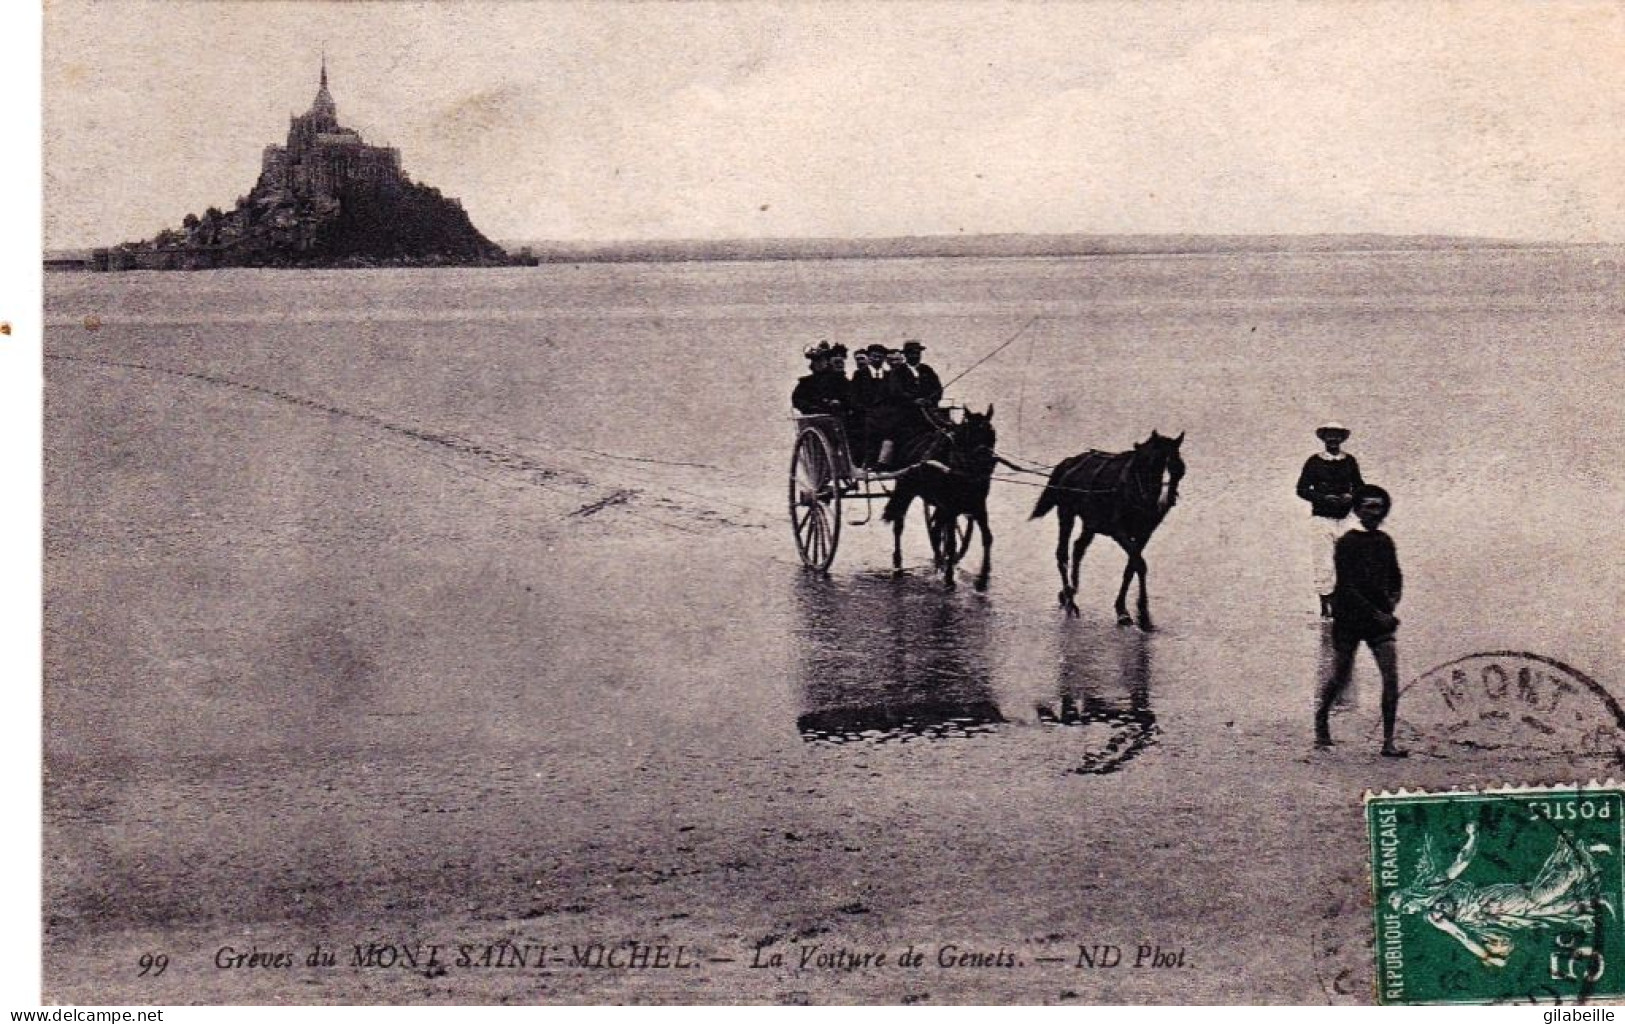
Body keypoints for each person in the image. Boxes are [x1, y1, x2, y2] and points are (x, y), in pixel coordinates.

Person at [1315, 485, 1406, 757]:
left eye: (1378, 507)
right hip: (1350, 619)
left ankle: (1388, 741)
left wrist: (1391, 603)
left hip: (1379, 622)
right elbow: (1348, 587)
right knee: (1340, 676)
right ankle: (1321, 720)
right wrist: (1378, 613)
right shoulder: (1347, 542)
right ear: (1357, 510)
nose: (1373, 512)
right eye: (1368, 507)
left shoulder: (1385, 542)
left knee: (1391, 678)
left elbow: (1396, 577)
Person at [1296, 422, 1364, 617]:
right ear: (1324, 439)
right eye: (1329, 436)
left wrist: (1352, 497)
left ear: (1342, 439)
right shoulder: (1314, 462)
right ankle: (1326, 608)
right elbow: (1301, 489)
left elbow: (1359, 486)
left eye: (1337, 436)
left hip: (1345, 518)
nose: (1333, 440)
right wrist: (1322, 498)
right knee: (1324, 563)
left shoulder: (1349, 461)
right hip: (1321, 519)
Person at [791, 342, 847, 416]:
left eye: (822, 360)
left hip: (836, 420)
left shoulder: (839, 380)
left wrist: (838, 403)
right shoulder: (806, 383)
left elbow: (849, 398)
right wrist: (810, 407)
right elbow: (797, 399)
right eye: (816, 361)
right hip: (813, 420)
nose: (819, 364)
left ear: (827, 361)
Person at [902, 340, 943, 407]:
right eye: (912, 354)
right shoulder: (898, 371)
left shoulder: (927, 369)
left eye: (917, 353)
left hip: (927, 408)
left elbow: (937, 388)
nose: (915, 356)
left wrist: (930, 400)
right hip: (906, 409)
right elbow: (896, 391)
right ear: (906, 355)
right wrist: (913, 400)